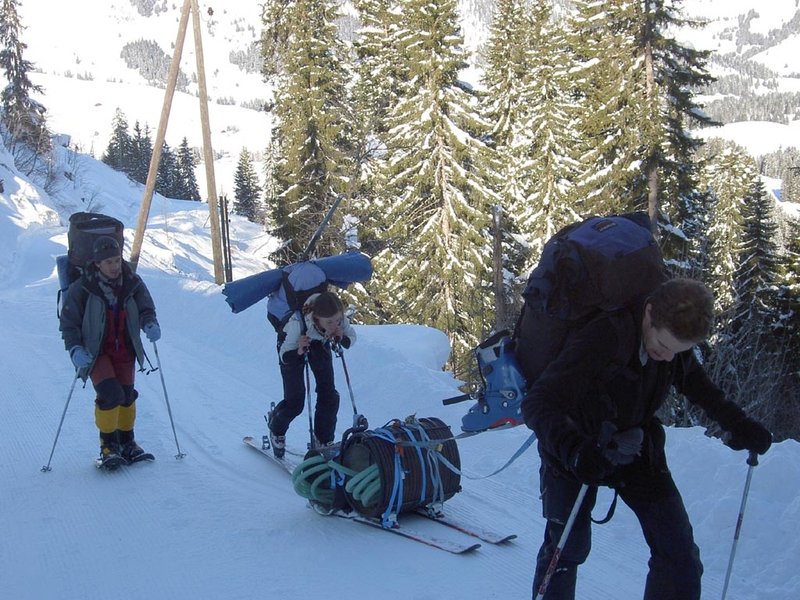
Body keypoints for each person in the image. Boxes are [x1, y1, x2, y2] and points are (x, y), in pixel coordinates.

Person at [520, 278, 772, 600]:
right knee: (567, 550)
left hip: (635, 446)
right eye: (664, 347)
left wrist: (738, 423)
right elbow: (538, 403)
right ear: (649, 312)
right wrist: (575, 451)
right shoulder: (604, 336)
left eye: (678, 351)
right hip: (575, 446)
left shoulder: (671, 342)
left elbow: (694, 381)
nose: (667, 357)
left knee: (679, 554)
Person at [59, 235, 161, 469]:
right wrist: (74, 347)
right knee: (110, 394)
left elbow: (147, 307)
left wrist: (149, 323)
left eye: (117, 260)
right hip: (95, 353)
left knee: (126, 395)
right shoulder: (82, 288)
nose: (115, 266)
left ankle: (128, 443)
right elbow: (69, 322)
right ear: (97, 264)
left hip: (126, 348)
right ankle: (108, 446)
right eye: (108, 262)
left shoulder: (133, 282)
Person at [268, 290, 356, 458]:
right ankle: (276, 428)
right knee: (295, 402)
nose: (335, 325)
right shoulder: (297, 323)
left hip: (319, 343)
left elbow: (351, 337)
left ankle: (323, 440)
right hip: (293, 347)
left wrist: (341, 337)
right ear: (316, 318)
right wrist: (299, 351)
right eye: (329, 322)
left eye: (338, 320)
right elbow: (285, 356)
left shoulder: (337, 318)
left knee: (329, 395)